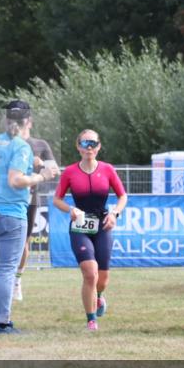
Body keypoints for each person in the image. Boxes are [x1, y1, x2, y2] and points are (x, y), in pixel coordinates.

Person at [0, 100, 59, 334]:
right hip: (11, 212)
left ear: (6, 120)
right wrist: (42, 176)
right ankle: (2, 323)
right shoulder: (21, 146)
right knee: (6, 269)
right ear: (29, 122)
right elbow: (16, 180)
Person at [52, 130, 127, 330]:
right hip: (80, 226)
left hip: (103, 226)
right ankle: (91, 320)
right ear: (78, 146)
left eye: (93, 143)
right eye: (85, 143)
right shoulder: (70, 172)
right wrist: (70, 209)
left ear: (99, 146)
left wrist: (114, 214)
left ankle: (99, 296)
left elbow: (122, 196)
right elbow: (57, 199)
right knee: (90, 274)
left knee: (102, 279)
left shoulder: (108, 169)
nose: (89, 147)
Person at [14, 123, 57, 302]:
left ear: (29, 121)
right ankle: (5, 279)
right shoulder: (3, 143)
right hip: (6, 199)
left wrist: (40, 166)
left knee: (24, 242)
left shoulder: (40, 145)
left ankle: (17, 281)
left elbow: (54, 171)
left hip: (30, 199)